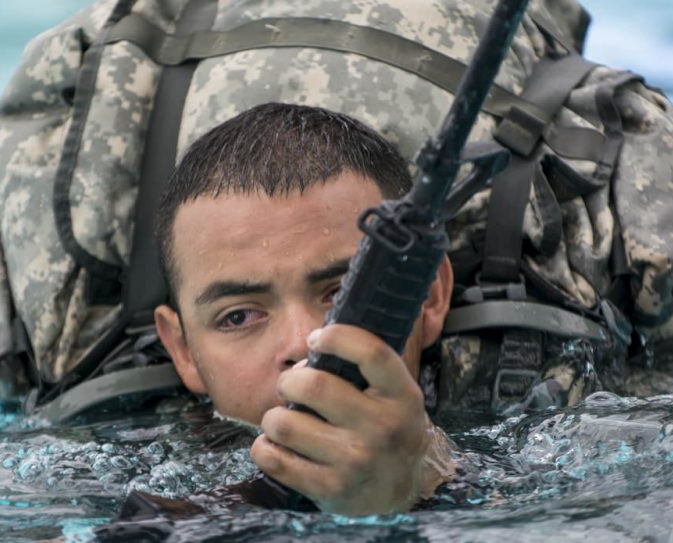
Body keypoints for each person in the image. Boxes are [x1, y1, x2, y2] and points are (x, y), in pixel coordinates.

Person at [152, 102, 457, 515]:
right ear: (183, 351)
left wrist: (425, 487)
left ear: (430, 295)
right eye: (238, 316)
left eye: (341, 292)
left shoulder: (552, 419)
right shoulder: (114, 473)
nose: (303, 344)